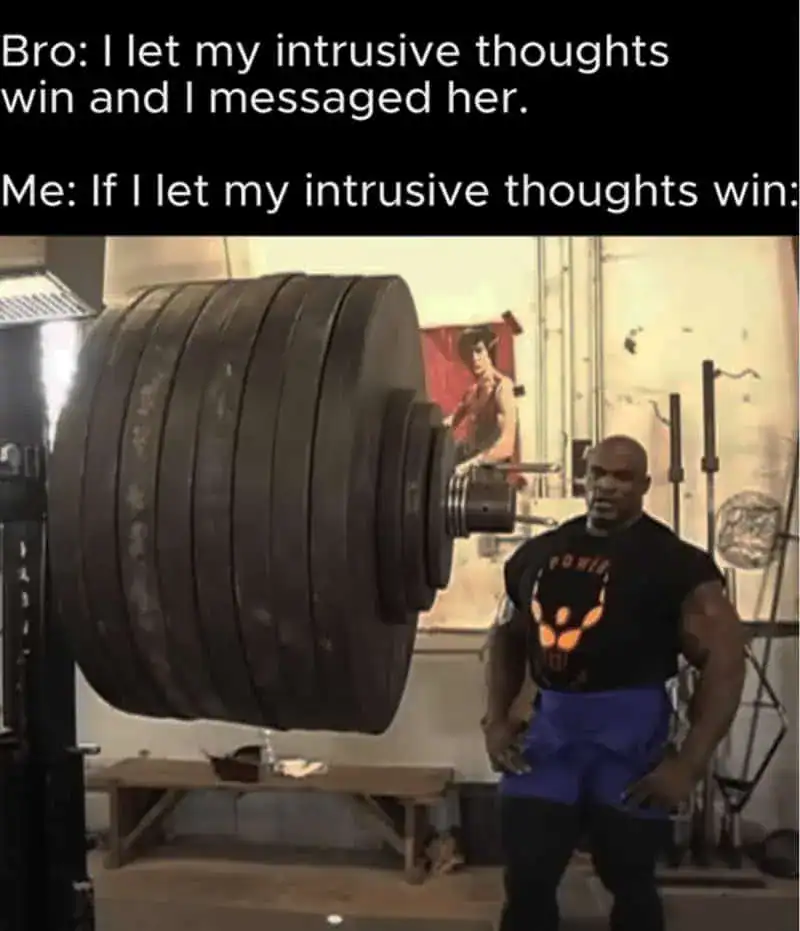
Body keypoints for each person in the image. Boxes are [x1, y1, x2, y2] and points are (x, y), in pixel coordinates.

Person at [482, 435, 746, 931]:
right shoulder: (540, 553)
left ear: (644, 485)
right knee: (527, 880)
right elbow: (507, 637)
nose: (606, 486)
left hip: (628, 744)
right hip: (548, 741)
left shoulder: (675, 563)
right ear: (584, 478)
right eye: (597, 474)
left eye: (622, 477)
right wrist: (495, 721)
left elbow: (727, 662)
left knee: (630, 882)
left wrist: (689, 765)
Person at [443, 326, 517, 477]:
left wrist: (473, 463)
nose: (474, 358)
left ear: (489, 353)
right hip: (473, 471)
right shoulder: (472, 392)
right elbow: (448, 424)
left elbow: (507, 445)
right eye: (469, 353)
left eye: (479, 351)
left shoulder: (503, 388)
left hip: (493, 474)